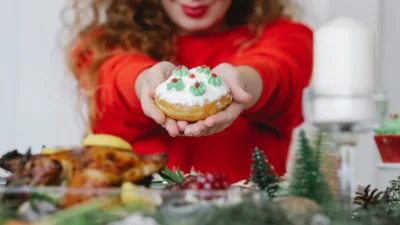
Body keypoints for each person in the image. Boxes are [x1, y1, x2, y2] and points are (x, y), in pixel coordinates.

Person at [66, 0, 313, 183]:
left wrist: (239, 85)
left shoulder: (288, 36)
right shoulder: (102, 45)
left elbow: (275, 71)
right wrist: (145, 84)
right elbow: (116, 74)